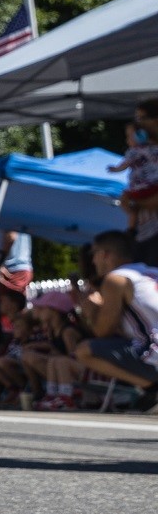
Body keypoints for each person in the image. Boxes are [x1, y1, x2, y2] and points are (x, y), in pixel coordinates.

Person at [74, 229, 158, 408]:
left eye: (94, 254)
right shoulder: (150, 272)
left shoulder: (116, 279)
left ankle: (152, 389)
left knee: (84, 351)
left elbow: (102, 332)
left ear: (105, 255)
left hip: (153, 351)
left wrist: (91, 310)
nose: (93, 260)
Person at [113, 99, 158, 265]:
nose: (137, 124)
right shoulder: (139, 153)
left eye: (141, 118)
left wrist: (136, 202)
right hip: (144, 232)